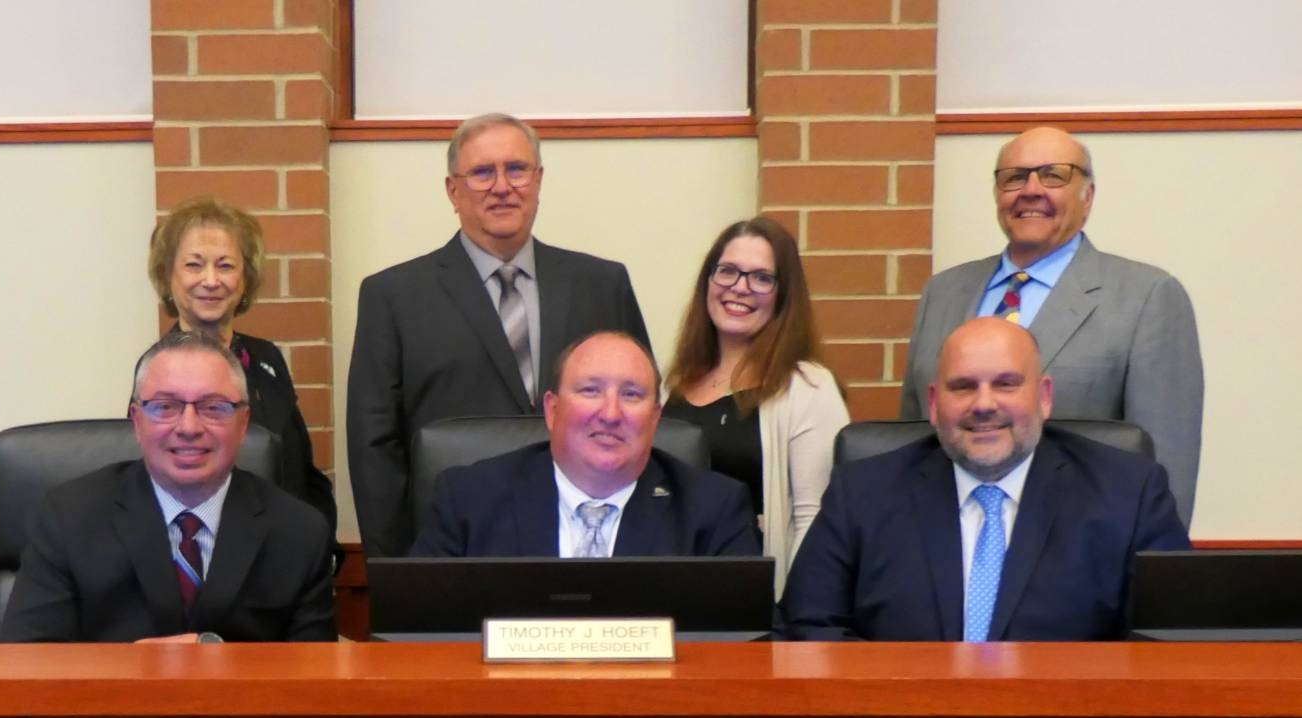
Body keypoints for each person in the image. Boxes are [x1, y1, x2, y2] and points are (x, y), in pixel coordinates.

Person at [348, 113, 651, 557]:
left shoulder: (602, 284)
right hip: (459, 548)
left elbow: (639, 414)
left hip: (592, 543)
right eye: (482, 173)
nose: (502, 186)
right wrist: (400, 574)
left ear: (539, 180)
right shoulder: (393, 296)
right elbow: (374, 448)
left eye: (516, 169)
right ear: (453, 190)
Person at [779, 317, 1190, 641]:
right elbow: (808, 628)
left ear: (1044, 397)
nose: (984, 404)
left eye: (1007, 384)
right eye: (963, 387)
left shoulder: (1129, 494)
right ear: (936, 404)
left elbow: (1168, 642)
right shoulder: (861, 494)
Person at [899, 127, 1204, 527]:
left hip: (1080, 553)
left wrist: (1152, 571)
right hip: (947, 544)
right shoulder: (943, 292)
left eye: (1054, 175)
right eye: (1014, 177)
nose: (1031, 189)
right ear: (997, 194)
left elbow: (1167, 466)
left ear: (1087, 196)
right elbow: (911, 436)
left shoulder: (1147, 296)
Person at [1, 332, 337, 642]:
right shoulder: (69, 517)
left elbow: (313, 685)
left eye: (213, 407)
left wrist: (213, 660)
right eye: (165, 407)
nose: (189, 427)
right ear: (136, 420)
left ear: (243, 423)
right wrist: (140, 672)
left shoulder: (299, 532)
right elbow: (26, 665)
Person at [411, 331, 760, 558]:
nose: (610, 413)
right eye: (590, 390)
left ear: (655, 418)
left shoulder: (714, 511)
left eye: (631, 394)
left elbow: (751, 643)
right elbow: (417, 632)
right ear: (552, 409)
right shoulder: (469, 500)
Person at [662, 217, 849, 594]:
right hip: (672, 587)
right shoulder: (676, 383)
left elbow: (814, 519)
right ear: (708, 281)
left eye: (762, 277)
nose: (740, 288)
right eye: (728, 271)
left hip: (756, 596)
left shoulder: (808, 387)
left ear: (784, 295)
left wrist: (795, 619)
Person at [146, 196, 338, 554]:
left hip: (286, 555)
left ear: (245, 278)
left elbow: (302, 474)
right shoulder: (158, 369)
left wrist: (320, 553)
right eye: (193, 265)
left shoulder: (266, 359)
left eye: (225, 265)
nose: (211, 280)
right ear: (166, 275)